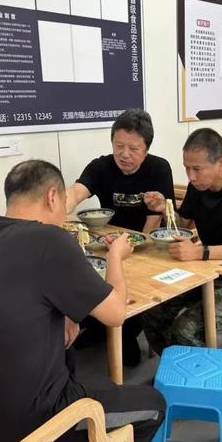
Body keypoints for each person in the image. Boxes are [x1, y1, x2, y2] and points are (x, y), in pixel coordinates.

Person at [0, 160, 165, 442]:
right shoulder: (49, 239)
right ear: (53, 197)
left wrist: (66, 311)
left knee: (71, 352)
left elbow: (21, 292)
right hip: (25, 429)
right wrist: (115, 257)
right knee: (154, 405)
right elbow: (114, 314)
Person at [142, 128, 222, 353]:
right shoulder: (197, 186)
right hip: (202, 273)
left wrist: (200, 252)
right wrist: (164, 210)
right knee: (152, 311)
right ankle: (177, 369)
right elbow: (185, 225)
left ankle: (196, 378)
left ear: (221, 162)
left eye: (197, 169)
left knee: (186, 328)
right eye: (186, 168)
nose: (191, 176)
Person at [65, 109, 175, 365]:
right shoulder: (101, 166)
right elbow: (78, 191)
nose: (124, 154)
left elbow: (155, 220)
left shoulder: (159, 168)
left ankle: (122, 329)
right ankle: (100, 328)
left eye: (133, 149)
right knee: (88, 275)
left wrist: (137, 244)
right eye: (119, 146)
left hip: (145, 246)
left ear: (146, 148)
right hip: (107, 244)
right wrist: (58, 205)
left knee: (132, 287)